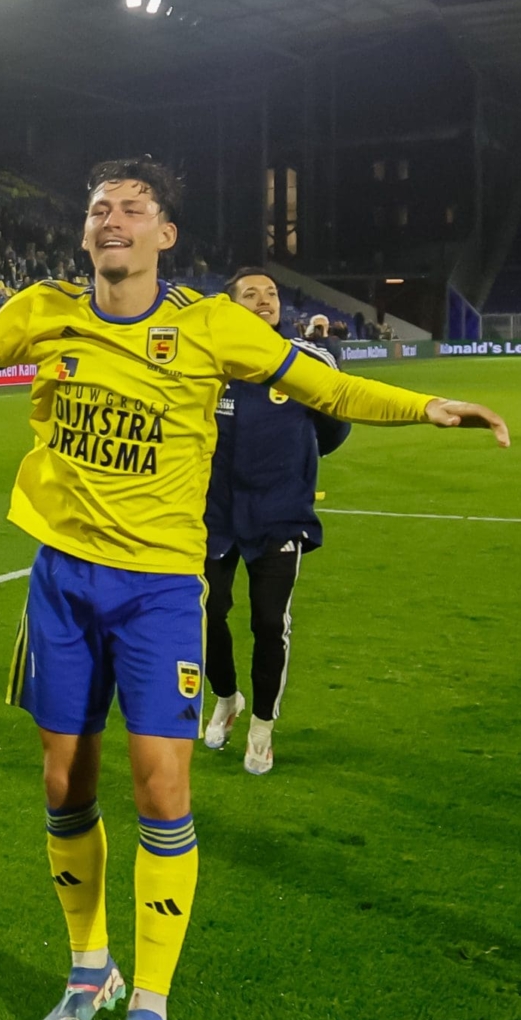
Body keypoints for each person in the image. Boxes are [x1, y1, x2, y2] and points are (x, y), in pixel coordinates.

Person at [0, 158, 509, 1020]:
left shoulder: (211, 325)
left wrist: (431, 407)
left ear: (165, 235)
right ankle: (92, 972)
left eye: (133, 208)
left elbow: (329, 390)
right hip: (62, 580)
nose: (111, 218)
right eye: (98, 208)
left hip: (161, 587)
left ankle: (149, 1010)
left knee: (162, 786)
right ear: (86, 234)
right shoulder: (43, 310)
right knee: (63, 782)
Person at [200, 269, 352, 775]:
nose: (264, 300)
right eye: (250, 294)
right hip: (213, 514)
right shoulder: (208, 363)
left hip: (278, 514)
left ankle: (262, 727)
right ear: (229, 306)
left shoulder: (307, 360)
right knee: (206, 614)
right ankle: (226, 698)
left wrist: (295, 465)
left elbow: (333, 425)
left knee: (269, 622)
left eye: (271, 293)